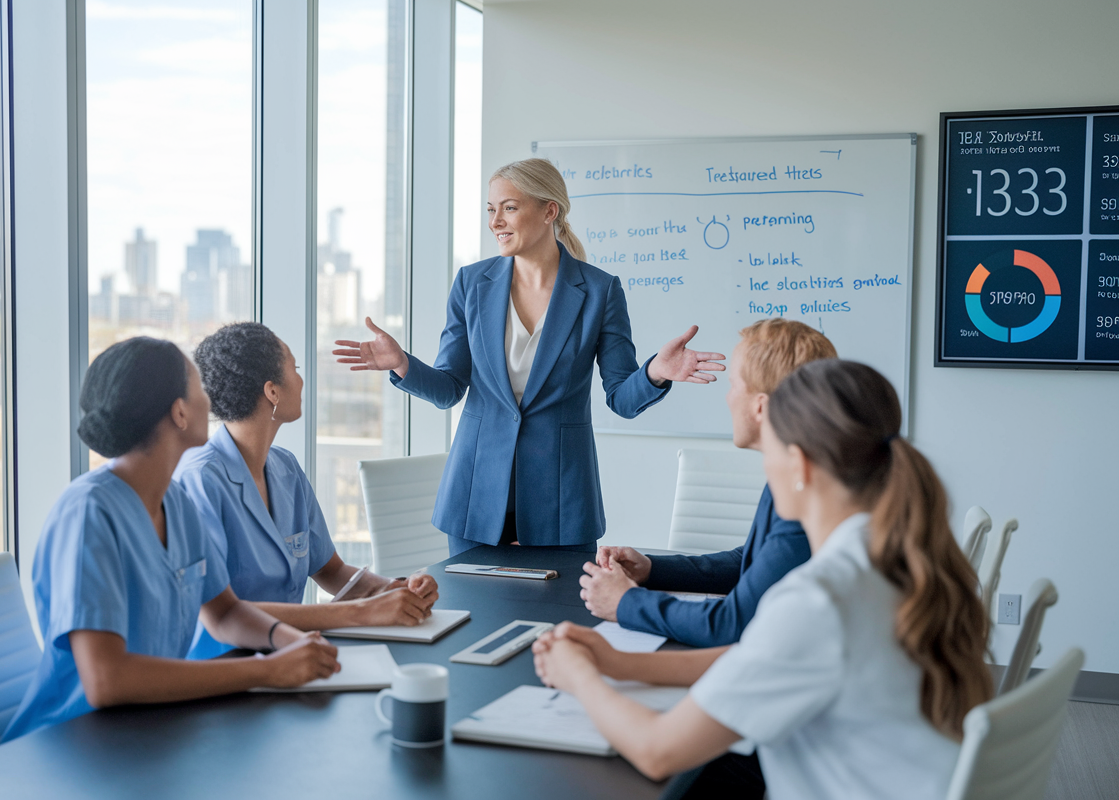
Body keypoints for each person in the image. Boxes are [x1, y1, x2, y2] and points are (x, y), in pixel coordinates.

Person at [533, 359, 992, 800]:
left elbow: (658, 751)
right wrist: (619, 663)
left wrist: (580, 677)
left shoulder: (818, 600)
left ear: (800, 466)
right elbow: (755, 657)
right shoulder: (896, 554)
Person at [334, 158, 725, 554]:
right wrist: (402, 363)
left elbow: (621, 398)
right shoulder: (472, 283)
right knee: (476, 613)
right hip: (476, 495)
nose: (495, 221)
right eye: (491, 210)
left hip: (561, 499)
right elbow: (449, 388)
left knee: (561, 613)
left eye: (509, 207)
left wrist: (656, 371)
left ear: (548, 211)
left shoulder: (600, 291)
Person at [4, 338, 340, 741]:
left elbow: (226, 612)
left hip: (152, 729)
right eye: (200, 388)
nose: (211, 401)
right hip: (74, 744)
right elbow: (106, 680)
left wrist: (288, 641)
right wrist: (267, 670)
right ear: (179, 412)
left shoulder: (175, 501)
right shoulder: (89, 513)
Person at [175, 323, 440, 660]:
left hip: (293, 654)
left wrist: (397, 589)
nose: (301, 381)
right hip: (223, 664)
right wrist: (364, 612)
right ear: (272, 391)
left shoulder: (285, 468)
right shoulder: (200, 481)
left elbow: (331, 571)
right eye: (295, 369)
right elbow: (225, 611)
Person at [581, 318, 836, 647]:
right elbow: (750, 562)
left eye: (732, 385)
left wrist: (625, 602)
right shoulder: (795, 473)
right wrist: (650, 569)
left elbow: (733, 623)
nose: (728, 398)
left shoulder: (807, 494)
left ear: (760, 407)